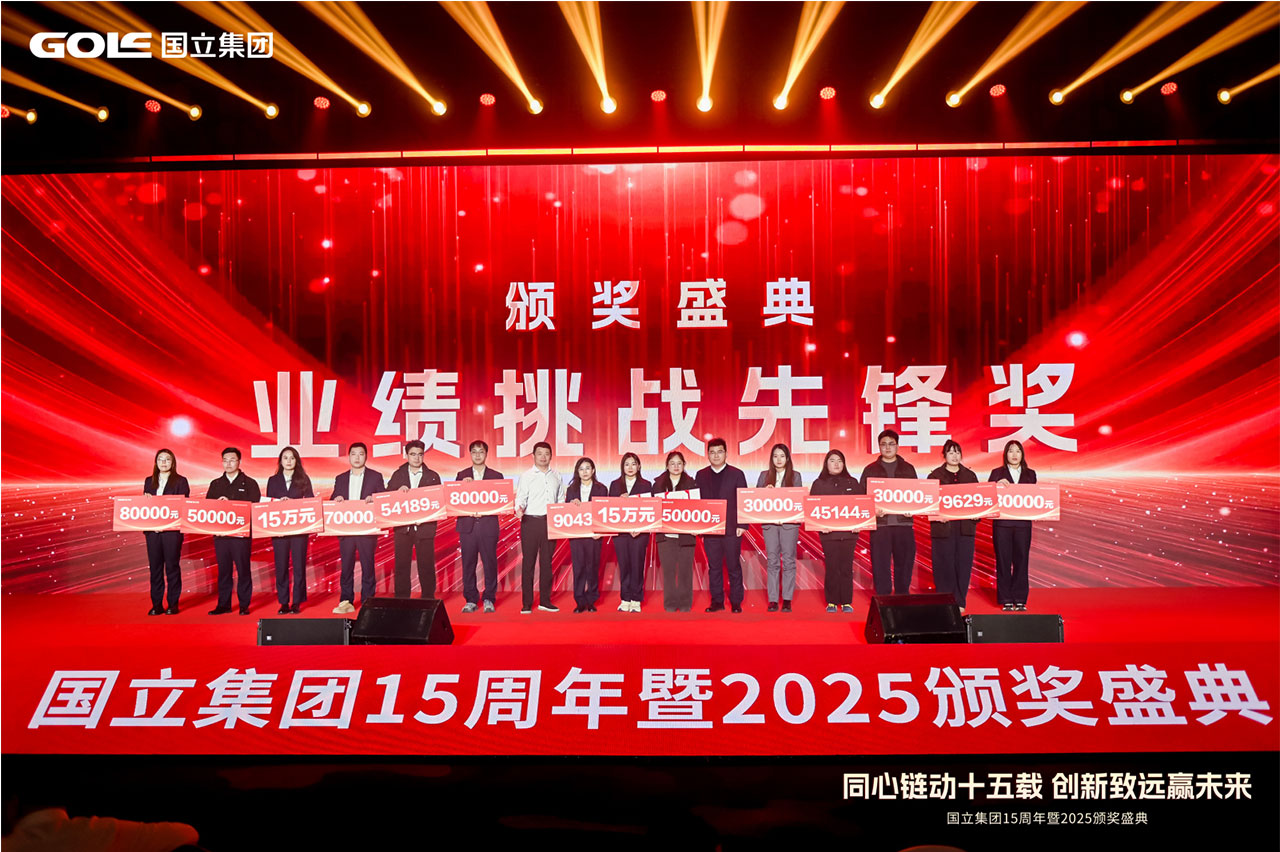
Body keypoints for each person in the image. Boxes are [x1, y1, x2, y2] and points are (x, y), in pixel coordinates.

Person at [861, 429, 919, 596]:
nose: (887, 448)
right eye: (883, 444)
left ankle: (902, 597)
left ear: (897, 446)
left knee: (904, 564)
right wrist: (872, 511)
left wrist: (912, 509)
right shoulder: (870, 470)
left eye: (891, 444)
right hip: (881, 525)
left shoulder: (908, 469)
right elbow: (863, 497)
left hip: (904, 525)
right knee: (880, 565)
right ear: (879, 447)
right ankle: (883, 600)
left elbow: (916, 495)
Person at [330, 442, 385, 614]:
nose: (357, 457)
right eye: (354, 454)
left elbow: (383, 498)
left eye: (361, 454)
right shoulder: (340, 478)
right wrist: (337, 499)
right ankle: (346, 600)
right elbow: (332, 499)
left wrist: (374, 498)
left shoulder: (375, 477)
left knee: (368, 565)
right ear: (349, 457)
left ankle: (368, 600)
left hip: (366, 529)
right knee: (346, 566)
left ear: (366, 456)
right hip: (346, 530)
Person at [695, 438, 748, 613]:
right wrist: (699, 527)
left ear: (726, 453)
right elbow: (697, 503)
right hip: (711, 529)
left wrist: (743, 524)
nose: (716, 456)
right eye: (712, 452)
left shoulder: (737, 474)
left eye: (719, 452)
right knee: (714, 567)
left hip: (732, 529)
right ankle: (717, 601)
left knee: (733, 566)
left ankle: (736, 601)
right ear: (707, 455)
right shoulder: (701, 475)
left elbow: (743, 500)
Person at [206, 447, 261, 615]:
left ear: (239, 462)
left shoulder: (250, 483)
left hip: (241, 535)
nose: (228, 464)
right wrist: (218, 503)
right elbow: (207, 508)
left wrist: (231, 503)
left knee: (243, 569)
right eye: (225, 460)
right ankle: (224, 604)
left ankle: (244, 605)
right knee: (224, 570)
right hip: (221, 535)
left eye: (232, 460)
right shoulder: (216, 484)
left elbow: (255, 507)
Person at [386, 439, 442, 600]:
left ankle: (428, 599)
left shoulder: (433, 476)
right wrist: (397, 492)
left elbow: (438, 502)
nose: (417, 458)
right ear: (406, 455)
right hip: (403, 529)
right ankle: (402, 599)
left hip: (425, 528)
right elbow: (387, 497)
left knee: (426, 565)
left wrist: (425, 517)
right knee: (402, 565)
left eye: (420, 454)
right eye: (413, 454)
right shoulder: (398, 475)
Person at [809, 449, 863, 614]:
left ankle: (846, 601)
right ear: (826, 464)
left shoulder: (852, 483)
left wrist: (859, 524)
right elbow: (812, 509)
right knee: (832, 567)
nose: (836, 464)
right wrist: (819, 525)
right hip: (828, 534)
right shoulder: (819, 484)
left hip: (849, 533)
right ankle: (832, 601)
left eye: (839, 460)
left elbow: (862, 505)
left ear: (844, 463)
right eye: (832, 460)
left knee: (846, 567)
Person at [928, 440, 979, 613]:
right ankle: (944, 600)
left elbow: (978, 501)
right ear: (944, 455)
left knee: (963, 565)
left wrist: (977, 514)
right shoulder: (934, 476)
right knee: (943, 564)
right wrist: (937, 515)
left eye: (957, 452)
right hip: (943, 528)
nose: (955, 456)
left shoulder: (970, 476)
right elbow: (929, 503)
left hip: (965, 528)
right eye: (950, 452)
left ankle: (960, 600)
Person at [515, 441, 564, 613]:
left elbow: (560, 499)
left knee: (547, 563)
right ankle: (527, 603)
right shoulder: (526, 476)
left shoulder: (557, 475)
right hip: (530, 522)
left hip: (550, 522)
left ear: (551, 456)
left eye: (546, 453)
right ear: (533, 456)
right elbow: (520, 497)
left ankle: (545, 601)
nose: (543, 457)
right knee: (528, 563)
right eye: (540, 453)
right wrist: (519, 508)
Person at [265, 445, 314, 614]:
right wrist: (279, 503)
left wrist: (292, 503)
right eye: (285, 458)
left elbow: (310, 501)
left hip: (299, 529)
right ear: (280, 461)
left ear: (296, 461)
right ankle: (284, 602)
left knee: (299, 566)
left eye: (292, 458)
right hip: (279, 529)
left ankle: (297, 602)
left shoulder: (304, 479)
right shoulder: (273, 480)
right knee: (281, 566)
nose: (288, 461)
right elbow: (268, 503)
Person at [989, 439, 1037, 611]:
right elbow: (988, 497)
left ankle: (1020, 598)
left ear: (1022, 454)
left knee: (1022, 560)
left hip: (1023, 525)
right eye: (1011, 451)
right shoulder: (996, 473)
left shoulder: (1030, 474)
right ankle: (1006, 598)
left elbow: (1035, 498)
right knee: (1003, 561)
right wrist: (996, 486)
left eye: (1018, 451)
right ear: (1005, 454)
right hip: (1002, 524)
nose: (1014, 454)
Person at [456, 440, 503, 613]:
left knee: (490, 563)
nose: (477, 455)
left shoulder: (496, 476)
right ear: (470, 454)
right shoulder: (461, 475)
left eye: (481, 451)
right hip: (467, 527)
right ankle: (471, 599)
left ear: (486, 454)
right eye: (474, 451)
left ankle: (489, 598)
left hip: (488, 526)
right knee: (468, 564)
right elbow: (454, 501)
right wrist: (462, 486)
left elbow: (501, 502)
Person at [142, 448, 189, 615]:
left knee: (172, 567)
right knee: (155, 568)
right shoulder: (149, 481)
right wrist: (146, 500)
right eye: (160, 459)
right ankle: (156, 605)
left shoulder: (181, 481)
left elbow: (183, 505)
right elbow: (145, 507)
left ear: (173, 462)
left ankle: (172, 604)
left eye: (167, 459)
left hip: (171, 532)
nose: (163, 462)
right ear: (156, 462)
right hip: (153, 532)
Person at [757, 443, 804, 612]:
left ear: (788, 458)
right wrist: (765, 492)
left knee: (789, 560)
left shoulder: (795, 476)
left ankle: (787, 598)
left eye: (782, 456)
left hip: (789, 524)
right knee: (772, 560)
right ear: (771, 458)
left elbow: (798, 498)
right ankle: (773, 599)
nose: (778, 459)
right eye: (775, 456)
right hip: (770, 523)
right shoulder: (764, 476)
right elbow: (756, 499)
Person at [652, 450, 698, 612]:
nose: (676, 466)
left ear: (684, 465)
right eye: (672, 463)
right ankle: (670, 603)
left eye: (679, 463)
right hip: (665, 535)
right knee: (669, 571)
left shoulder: (692, 484)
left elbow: (698, 507)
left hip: (686, 534)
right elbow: (652, 507)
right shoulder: (658, 485)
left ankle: (685, 603)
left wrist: (697, 527)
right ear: (667, 466)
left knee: (685, 570)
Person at [608, 452, 651, 613]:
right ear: (622, 467)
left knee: (637, 565)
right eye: (627, 464)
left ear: (639, 466)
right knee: (624, 565)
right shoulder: (614, 485)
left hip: (639, 533)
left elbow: (650, 509)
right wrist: (618, 501)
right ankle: (625, 598)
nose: (630, 467)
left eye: (633, 464)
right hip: (621, 533)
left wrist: (639, 528)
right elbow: (609, 507)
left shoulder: (646, 485)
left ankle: (636, 599)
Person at [566, 457, 608, 613]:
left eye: (588, 468)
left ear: (593, 470)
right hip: (577, 535)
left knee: (592, 568)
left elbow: (605, 511)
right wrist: (571, 505)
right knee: (579, 568)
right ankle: (579, 601)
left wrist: (601, 531)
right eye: (581, 469)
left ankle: (591, 600)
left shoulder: (601, 489)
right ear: (577, 471)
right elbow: (566, 512)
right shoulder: (571, 490)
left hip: (594, 535)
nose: (585, 472)